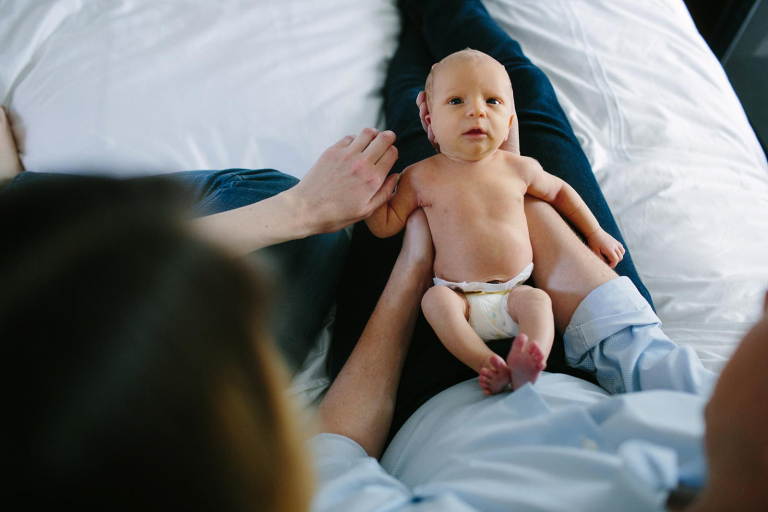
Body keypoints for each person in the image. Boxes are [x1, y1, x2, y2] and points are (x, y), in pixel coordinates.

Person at [3, 1, 767, 510]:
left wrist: (417, 261)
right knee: (519, 95)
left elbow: (336, 451)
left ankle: (420, 69)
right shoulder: (717, 435)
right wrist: (537, 217)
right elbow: (640, 351)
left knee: (414, 137)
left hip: (428, 373)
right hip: (580, 330)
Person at [366, 49, 625, 394]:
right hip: (457, 296)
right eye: (456, 101)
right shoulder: (419, 177)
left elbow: (561, 192)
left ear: (510, 123)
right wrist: (371, 193)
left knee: (539, 302)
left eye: (492, 101)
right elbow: (386, 225)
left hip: (514, 292)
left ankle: (530, 357)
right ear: (430, 122)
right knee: (434, 303)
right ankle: (485, 363)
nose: (477, 111)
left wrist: (596, 233)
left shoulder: (519, 168)